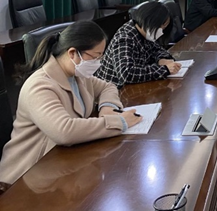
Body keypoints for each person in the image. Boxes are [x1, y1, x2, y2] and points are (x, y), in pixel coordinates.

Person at [0, 21, 141, 186]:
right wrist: (120, 122)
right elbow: (64, 131)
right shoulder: (39, 86)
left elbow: (107, 87)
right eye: (95, 57)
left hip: (60, 163)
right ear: (73, 53)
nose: (98, 62)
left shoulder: (77, 75)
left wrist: (107, 108)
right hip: (27, 177)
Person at [95, 1, 180, 88]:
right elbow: (126, 74)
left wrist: (161, 59)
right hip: (114, 90)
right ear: (149, 21)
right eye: (161, 27)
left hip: (134, 87)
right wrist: (164, 69)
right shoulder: (124, 38)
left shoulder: (145, 32)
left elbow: (158, 50)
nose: (161, 32)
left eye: (164, 28)